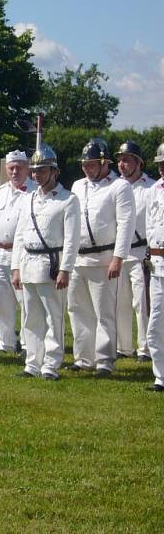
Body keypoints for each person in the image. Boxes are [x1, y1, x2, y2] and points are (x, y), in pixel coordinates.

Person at [11, 144, 80, 380]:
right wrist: (16, 267)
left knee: (53, 317)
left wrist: (65, 269)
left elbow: (72, 239)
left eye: (41, 170)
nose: (36, 175)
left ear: (54, 171)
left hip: (51, 263)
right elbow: (20, 235)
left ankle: (51, 364)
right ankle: (32, 362)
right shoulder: (29, 198)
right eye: (34, 171)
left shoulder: (68, 199)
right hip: (29, 262)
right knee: (30, 317)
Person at [67, 138, 135, 376]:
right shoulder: (77, 186)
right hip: (78, 258)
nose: (87, 168)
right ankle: (84, 358)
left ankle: (105, 360)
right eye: (85, 164)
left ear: (105, 162)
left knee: (104, 312)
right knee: (77, 309)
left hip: (104, 257)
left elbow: (126, 223)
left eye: (92, 163)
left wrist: (118, 257)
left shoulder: (119, 186)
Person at [0, 150, 36, 353]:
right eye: (11, 167)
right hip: (1, 255)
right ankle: (5, 342)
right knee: (0, 302)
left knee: (25, 302)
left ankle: (27, 344)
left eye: (19, 167)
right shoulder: (0, 192)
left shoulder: (34, 193)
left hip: (22, 255)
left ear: (27, 168)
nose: (15, 171)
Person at [115, 141, 154, 362]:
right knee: (120, 302)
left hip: (141, 252)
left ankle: (145, 348)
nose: (122, 164)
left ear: (139, 163)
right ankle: (123, 346)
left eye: (127, 159)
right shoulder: (114, 186)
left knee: (142, 303)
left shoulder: (150, 188)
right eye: (120, 159)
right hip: (118, 253)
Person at [144, 142, 164, 392]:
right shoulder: (154, 190)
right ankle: (160, 375)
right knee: (155, 323)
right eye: (160, 164)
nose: (162, 168)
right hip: (157, 265)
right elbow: (150, 224)